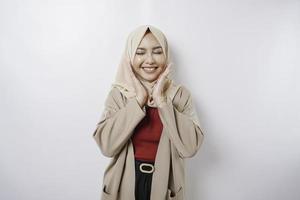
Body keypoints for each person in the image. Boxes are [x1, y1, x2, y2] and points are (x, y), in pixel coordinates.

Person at [92, 25, 204, 200]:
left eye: (157, 52)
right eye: (140, 52)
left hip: (165, 185)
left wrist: (161, 101)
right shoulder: (119, 95)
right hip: (123, 183)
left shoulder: (180, 95)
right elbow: (107, 146)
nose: (150, 60)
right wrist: (138, 100)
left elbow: (190, 148)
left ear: (166, 55)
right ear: (130, 56)